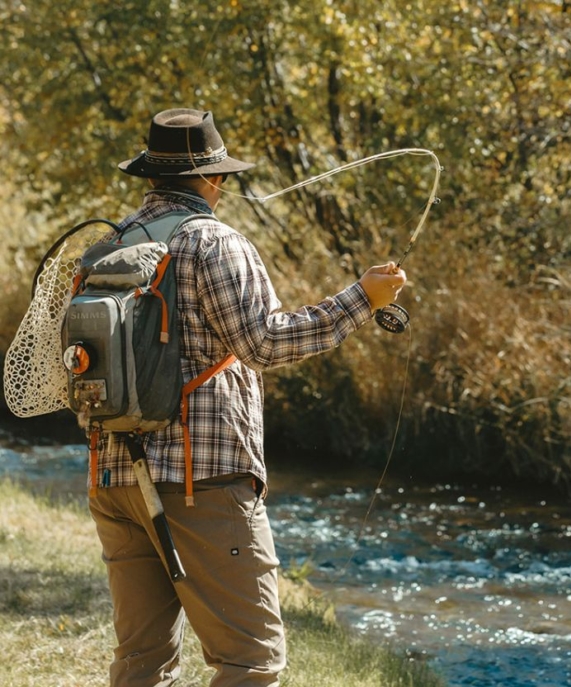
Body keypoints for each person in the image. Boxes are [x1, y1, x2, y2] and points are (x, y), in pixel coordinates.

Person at [88, 108, 406, 686]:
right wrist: (364, 298)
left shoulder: (109, 244)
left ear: (152, 176)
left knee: (141, 663)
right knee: (250, 662)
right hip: (201, 482)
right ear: (213, 179)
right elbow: (263, 342)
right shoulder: (215, 242)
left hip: (113, 478)